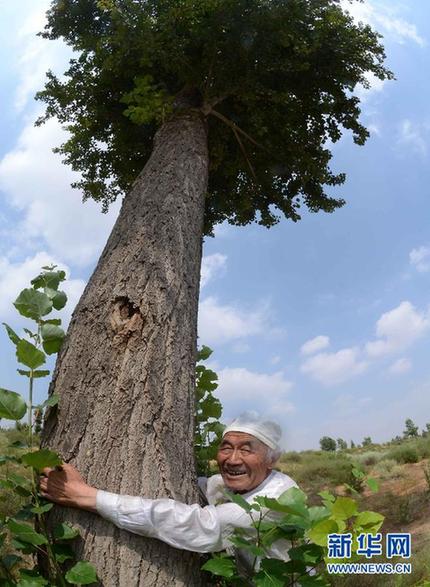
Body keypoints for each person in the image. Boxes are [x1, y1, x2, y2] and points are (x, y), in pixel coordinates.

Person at [39, 413, 297, 571]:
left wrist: (88, 496)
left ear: (272, 460)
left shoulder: (276, 499)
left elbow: (196, 524)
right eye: (226, 447)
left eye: (247, 449)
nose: (232, 459)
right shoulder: (234, 483)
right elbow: (209, 485)